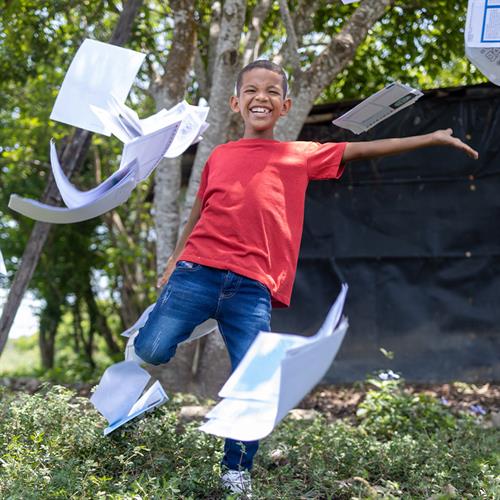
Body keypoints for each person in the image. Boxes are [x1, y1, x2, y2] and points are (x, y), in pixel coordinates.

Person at [134, 60, 478, 495]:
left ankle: (235, 471)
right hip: (197, 271)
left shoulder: (298, 155)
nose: (263, 97)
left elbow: (363, 150)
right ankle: (168, 323)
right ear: (235, 102)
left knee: (255, 384)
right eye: (253, 90)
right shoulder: (219, 156)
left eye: (272, 92)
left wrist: (430, 137)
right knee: (152, 347)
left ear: (286, 105)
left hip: (252, 287)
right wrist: (173, 261)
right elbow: (199, 210)